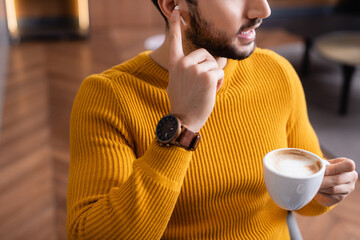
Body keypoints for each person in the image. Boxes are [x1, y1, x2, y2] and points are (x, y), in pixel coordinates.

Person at [67, 0, 358, 239]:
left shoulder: (277, 72)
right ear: (174, 6)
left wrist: (324, 192)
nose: (263, 10)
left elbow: (302, 198)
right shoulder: (108, 97)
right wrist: (182, 124)